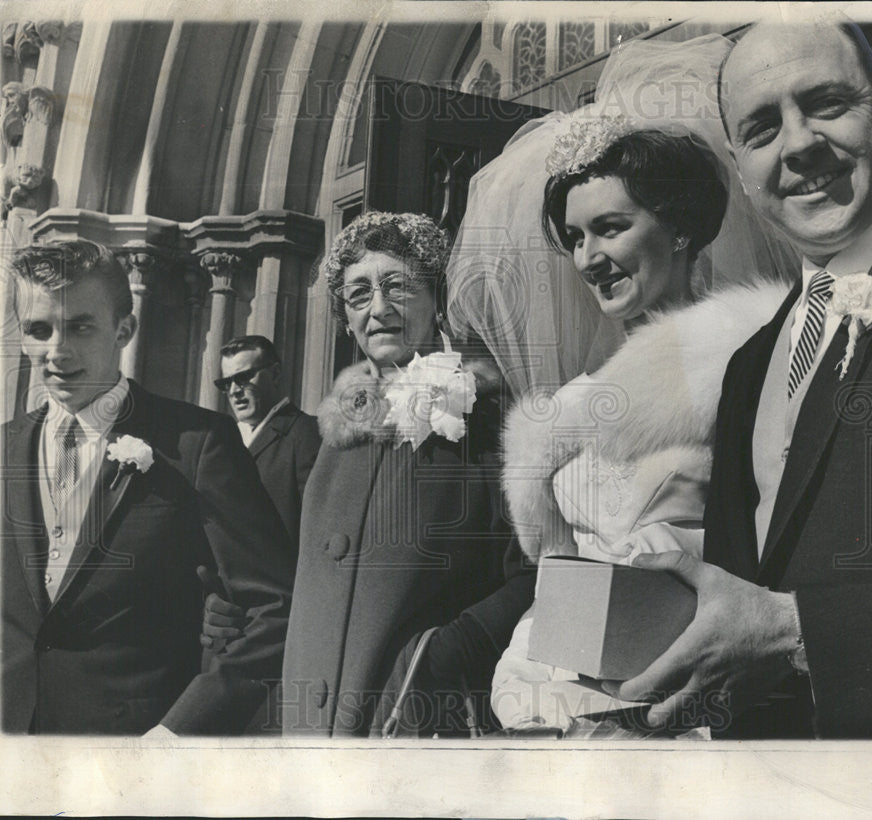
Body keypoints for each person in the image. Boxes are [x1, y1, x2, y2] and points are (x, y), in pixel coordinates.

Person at [614, 22, 872, 739]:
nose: (800, 145)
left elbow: (776, 627)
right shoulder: (750, 361)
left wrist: (799, 633)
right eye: (761, 129)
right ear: (740, 168)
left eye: (826, 102)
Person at [445, 35, 796, 734]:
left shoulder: (752, 357)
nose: (588, 258)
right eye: (573, 238)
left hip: (701, 699)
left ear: (679, 229)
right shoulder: (577, 398)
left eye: (609, 228)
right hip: (570, 700)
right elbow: (564, 579)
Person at [0, 239, 295, 735]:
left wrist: (179, 733)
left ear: (124, 328)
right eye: (39, 329)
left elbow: (274, 608)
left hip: (132, 751)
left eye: (80, 326)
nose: (56, 351)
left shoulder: (196, 445)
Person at [267, 212, 536, 736]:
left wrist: (444, 653)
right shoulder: (336, 435)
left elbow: (535, 570)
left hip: (416, 723)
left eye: (398, 287)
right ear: (345, 318)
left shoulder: (482, 419)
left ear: (437, 299)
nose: (380, 309)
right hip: (312, 730)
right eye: (359, 294)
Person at [217, 334, 321, 549]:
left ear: (275, 374)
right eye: (226, 383)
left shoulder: (306, 433)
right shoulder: (227, 440)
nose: (235, 391)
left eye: (244, 377)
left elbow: (317, 527)